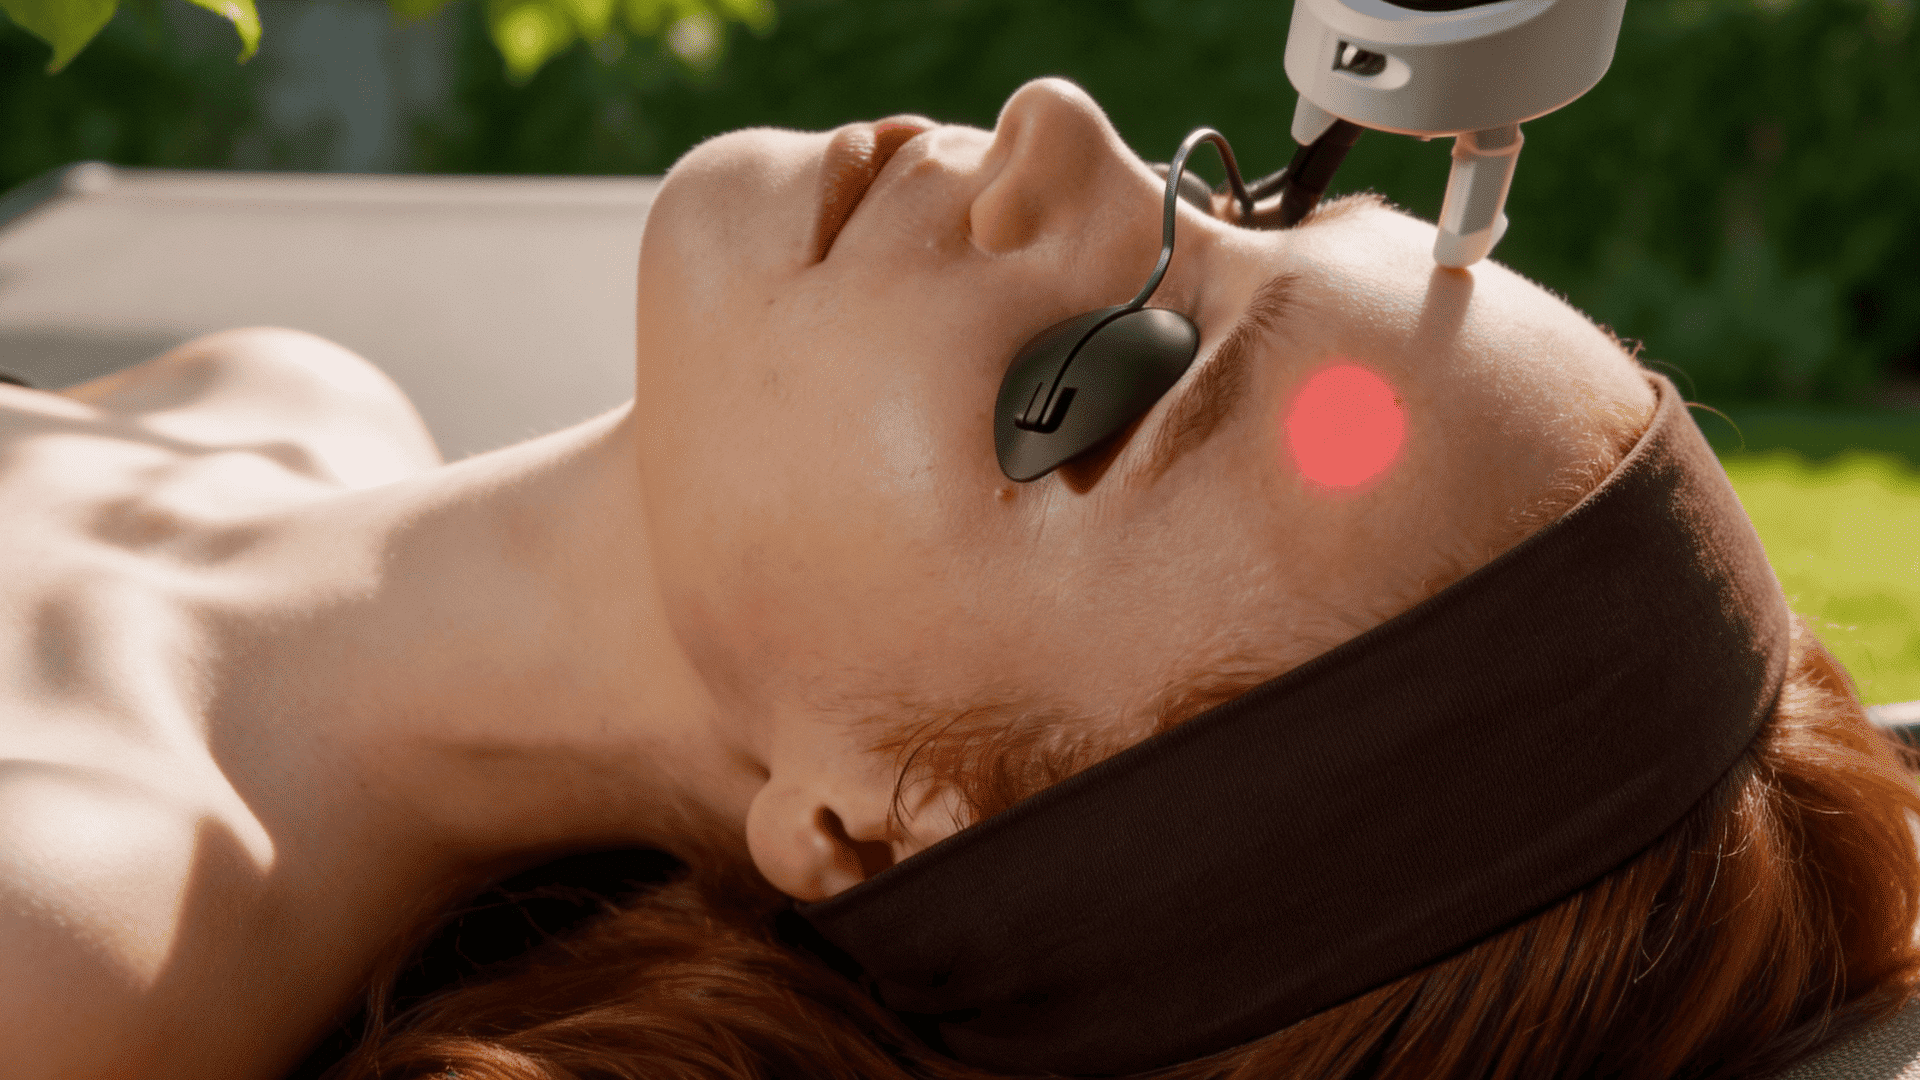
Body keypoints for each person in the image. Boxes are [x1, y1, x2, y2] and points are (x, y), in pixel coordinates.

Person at [0, 77, 1914, 1080]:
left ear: (882, 822)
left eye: (1107, 383)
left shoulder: (64, 937)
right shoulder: (296, 406)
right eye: (1239, 207)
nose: (1063, 132)